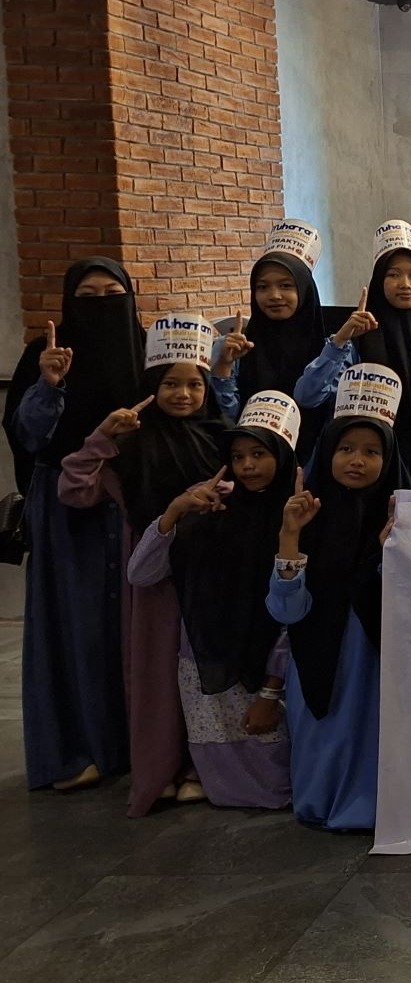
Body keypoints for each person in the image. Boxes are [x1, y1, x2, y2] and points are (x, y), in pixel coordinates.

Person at [60, 315, 229, 815]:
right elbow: (73, 488)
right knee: (158, 675)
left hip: (211, 570)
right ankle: (164, 769)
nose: (182, 394)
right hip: (154, 575)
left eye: (194, 384)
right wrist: (102, 437)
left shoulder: (220, 435)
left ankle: (205, 767)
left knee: (207, 670)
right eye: (170, 384)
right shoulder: (130, 444)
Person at [3, 257, 145, 791]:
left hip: (132, 501)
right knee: (76, 624)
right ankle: (77, 749)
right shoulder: (43, 357)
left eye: (114, 294)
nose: (104, 305)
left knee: (134, 623)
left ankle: (139, 742)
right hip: (65, 508)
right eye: (88, 297)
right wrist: (50, 384)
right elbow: (29, 437)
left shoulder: (144, 346)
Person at [124, 392, 303, 810]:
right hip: (204, 664)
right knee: (223, 779)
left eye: (259, 453)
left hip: (267, 668)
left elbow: (292, 617)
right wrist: (175, 512)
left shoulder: (298, 515)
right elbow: (141, 573)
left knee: (273, 778)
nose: (247, 467)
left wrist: (270, 691)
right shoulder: (211, 508)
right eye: (238, 456)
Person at [271, 365, 406, 832]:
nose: (357, 461)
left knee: (373, 732)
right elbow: (286, 609)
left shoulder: (400, 518)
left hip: (376, 656)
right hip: (320, 653)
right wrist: (291, 539)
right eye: (346, 449)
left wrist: (394, 552)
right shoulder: (306, 517)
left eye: (372, 452)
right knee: (324, 733)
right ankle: (323, 802)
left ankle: (373, 806)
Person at [294, 220, 411, 487]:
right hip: (363, 471)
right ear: (378, 281)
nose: (405, 284)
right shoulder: (356, 341)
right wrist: (341, 340)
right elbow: (307, 396)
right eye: (393, 274)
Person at [230, 220, 329, 458]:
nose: (274, 296)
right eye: (263, 287)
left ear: (305, 291)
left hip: (318, 462)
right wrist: (223, 365)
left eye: (286, 286)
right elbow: (228, 415)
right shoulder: (239, 347)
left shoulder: (331, 349)